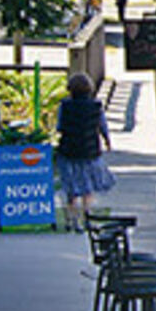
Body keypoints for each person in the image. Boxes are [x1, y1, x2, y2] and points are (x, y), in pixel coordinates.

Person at [52, 73, 112, 231]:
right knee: (87, 187)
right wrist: (107, 140)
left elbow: (59, 127)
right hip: (89, 150)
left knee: (71, 188)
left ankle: (72, 221)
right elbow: (102, 126)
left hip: (68, 150)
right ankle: (87, 217)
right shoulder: (96, 106)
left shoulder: (64, 106)